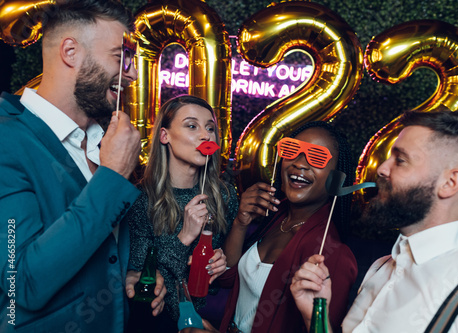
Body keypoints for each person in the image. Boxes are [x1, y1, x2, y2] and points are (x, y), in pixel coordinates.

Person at [0, 1, 167, 332]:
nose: (133, 73)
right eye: (121, 58)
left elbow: (90, 249)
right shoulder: (7, 139)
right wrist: (113, 176)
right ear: (71, 52)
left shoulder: (102, 140)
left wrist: (121, 275)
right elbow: (24, 283)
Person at [293, 111, 458, 332]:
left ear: (449, 183)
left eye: (400, 160)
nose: (382, 169)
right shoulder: (381, 267)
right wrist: (316, 314)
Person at [219, 121, 358, 333]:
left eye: (317, 156)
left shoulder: (333, 254)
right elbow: (227, 279)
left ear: (336, 178)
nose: (299, 163)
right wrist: (241, 222)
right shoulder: (276, 216)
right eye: (292, 150)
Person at [126, 95, 239, 332]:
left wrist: (221, 260)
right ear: (165, 135)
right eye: (191, 126)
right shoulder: (139, 199)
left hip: (213, 318)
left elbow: (233, 269)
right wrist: (184, 237)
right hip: (159, 323)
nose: (206, 135)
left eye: (210, 128)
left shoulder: (225, 195)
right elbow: (139, 279)